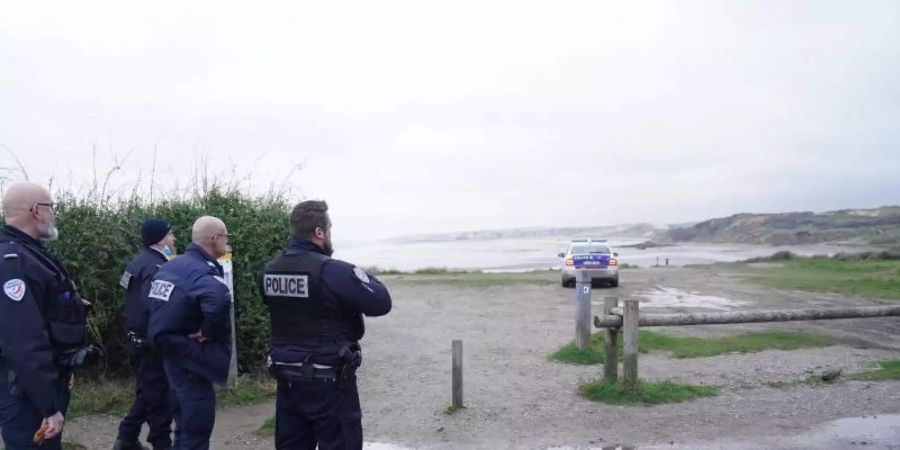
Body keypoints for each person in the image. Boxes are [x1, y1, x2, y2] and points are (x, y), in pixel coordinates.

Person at [261, 200, 391, 450]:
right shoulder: (332, 271)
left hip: (287, 380)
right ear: (319, 232)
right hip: (328, 383)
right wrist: (359, 276)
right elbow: (381, 302)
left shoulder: (269, 271)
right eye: (329, 228)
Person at [0, 182, 98, 449]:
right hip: (25, 391)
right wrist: (48, 404)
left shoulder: (34, 254)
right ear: (36, 211)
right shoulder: (14, 262)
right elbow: (23, 340)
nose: (54, 213)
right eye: (52, 207)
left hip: (41, 383)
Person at [147, 216, 232, 450]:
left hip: (170, 350)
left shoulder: (170, 266)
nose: (227, 241)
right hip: (191, 354)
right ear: (214, 238)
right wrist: (208, 331)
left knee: (183, 423)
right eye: (226, 237)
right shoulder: (201, 271)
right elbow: (218, 300)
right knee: (197, 422)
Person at [113, 219, 177, 450]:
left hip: (135, 338)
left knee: (148, 390)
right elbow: (153, 304)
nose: (174, 239)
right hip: (150, 342)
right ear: (160, 240)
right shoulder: (157, 266)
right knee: (159, 396)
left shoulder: (137, 262)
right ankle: (161, 443)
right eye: (170, 235)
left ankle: (127, 436)